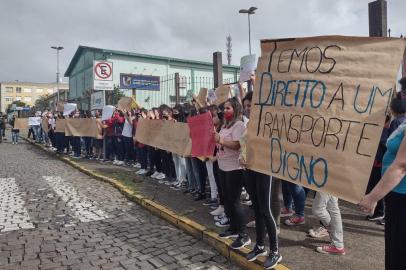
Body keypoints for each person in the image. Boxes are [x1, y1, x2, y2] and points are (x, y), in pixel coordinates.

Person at [360, 92, 406, 270]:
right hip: (396, 197)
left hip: (403, 200)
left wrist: (372, 197)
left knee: (399, 255)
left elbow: (401, 166)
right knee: (394, 252)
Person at [215, 97, 251, 250]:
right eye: (224, 108)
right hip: (223, 166)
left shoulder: (239, 125)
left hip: (234, 169)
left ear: (235, 109)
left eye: (228, 108)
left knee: (235, 201)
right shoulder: (225, 125)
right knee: (228, 200)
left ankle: (244, 235)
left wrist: (221, 141)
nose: (225, 111)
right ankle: (233, 228)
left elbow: (238, 145)